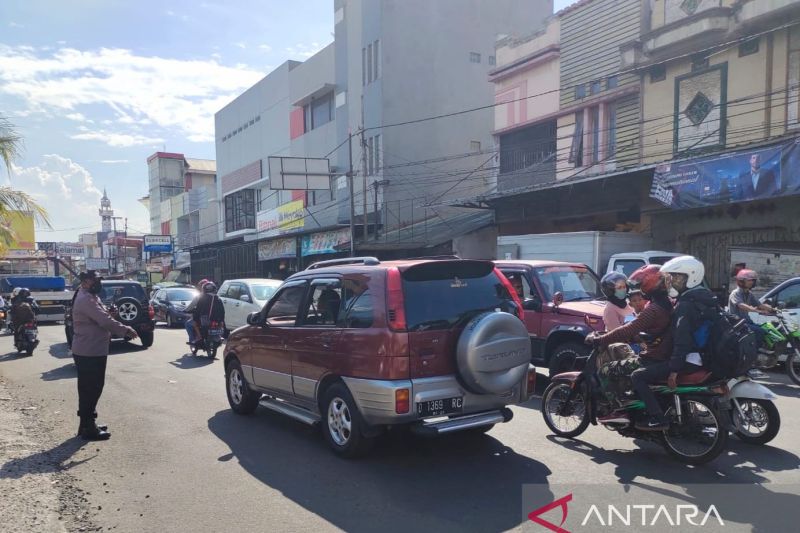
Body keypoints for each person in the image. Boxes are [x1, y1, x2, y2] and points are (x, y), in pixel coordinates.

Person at [630, 256, 713, 431]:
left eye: (675, 278)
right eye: (669, 279)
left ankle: (657, 418)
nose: (671, 283)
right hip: (703, 356)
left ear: (691, 277)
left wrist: (674, 370)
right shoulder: (705, 297)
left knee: (637, 376)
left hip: (689, 360)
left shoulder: (685, 305)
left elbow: (682, 341)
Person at [586, 266, 674, 412]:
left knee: (605, 371)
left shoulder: (653, 309)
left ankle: (618, 410)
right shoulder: (668, 303)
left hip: (653, 357)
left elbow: (627, 329)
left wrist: (600, 340)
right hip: (661, 353)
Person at [71, 271, 138, 441]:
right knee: (91, 388)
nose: (98, 283)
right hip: (89, 350)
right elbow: (104, 320)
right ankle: (88, 428)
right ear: (86, 282)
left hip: (92, 348)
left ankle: (86, 424)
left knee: (90, 388)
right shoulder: (86, 298)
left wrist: (111, 313)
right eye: (96, 280)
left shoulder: (89, 295)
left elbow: (102, 316)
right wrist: (126, 330)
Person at [191, 282, 225, 351]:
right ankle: (218, 336)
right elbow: (222, 311)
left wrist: (195, 319)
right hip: (217, 320)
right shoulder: (218, 299)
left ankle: (199, 337)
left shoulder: (202, 298)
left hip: (205, 319)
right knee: (221, 325)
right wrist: (221, 320)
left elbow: (198, 310)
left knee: (195, 324)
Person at [184, 279, 209, 345]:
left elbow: (191, 306)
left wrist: (185, 310)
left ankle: (192, 340)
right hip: (213, 318)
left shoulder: (199, 296)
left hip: (201, 318)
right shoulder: (215, 297)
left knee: (188, 324)